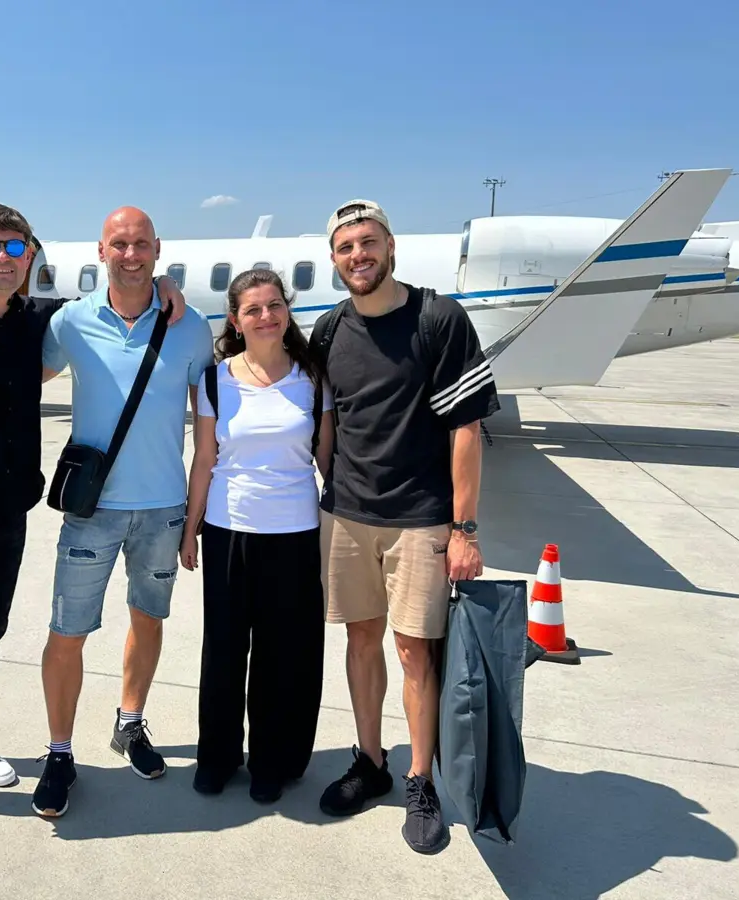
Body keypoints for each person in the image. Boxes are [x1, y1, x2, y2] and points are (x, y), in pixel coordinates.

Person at [0, 202, 185, 838]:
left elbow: (118, 296)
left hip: (5, 512)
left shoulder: (37, 322)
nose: (2, 258)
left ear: (30, 259)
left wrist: (161, 285)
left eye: (15, 248)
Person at [309, 199, 500, 854]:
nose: (358, 255)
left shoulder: (438, 319)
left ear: (390, 246)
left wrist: (464, 529)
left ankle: (421, 780)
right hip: (347, 514)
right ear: (334, 259)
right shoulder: (330, 329)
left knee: (416, 651)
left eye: (368, 242)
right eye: (345, 247)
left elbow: (466, 428)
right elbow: (322, 417)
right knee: (360, 640)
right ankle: (371, 761)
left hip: (420, 518)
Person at [33, 206, 214, 818]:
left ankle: (129, 723)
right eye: (119, 244)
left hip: (163, 510)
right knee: (67, 631)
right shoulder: (70, 323)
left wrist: (194, 517)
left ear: (158, 248)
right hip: (93, 510)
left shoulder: (190, 326)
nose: (130, 254)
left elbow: (209, 428)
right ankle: (60, 751)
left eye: (140, 244)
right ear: (101, 250)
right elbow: (18, 379)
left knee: (148, 619)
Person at [179, 268, 333, 803]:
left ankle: (272, 760)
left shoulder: (313, 378)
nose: (266, 316)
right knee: (223, 652)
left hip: (295, 534)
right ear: (235, 320)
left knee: (280, 655)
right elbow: (204, 459)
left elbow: (328, 461)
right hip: (228, 531)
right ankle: (217, 757)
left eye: (275, 305)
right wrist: (191, 528)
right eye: (253, 309)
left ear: (287, 311)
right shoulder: (215, 380)